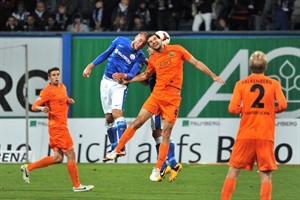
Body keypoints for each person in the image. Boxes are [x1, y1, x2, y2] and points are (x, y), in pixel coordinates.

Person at [105, 32, 225, 182]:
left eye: (155, 39)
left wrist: (213, 76)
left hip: (173, 99)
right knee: (138, 122)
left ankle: (159, 168)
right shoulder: (153, 59)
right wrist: (127, 79)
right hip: (156, 96)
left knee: (164, 134)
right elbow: (145, 77)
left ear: (160, 39)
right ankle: (116, 150)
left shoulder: (178, 50)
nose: (153, 42)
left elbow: (196, 63)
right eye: (150, 42)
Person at [220, 51, 287, 200]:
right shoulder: (274, 84)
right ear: (266, 67)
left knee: (233, 171)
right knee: (265, 174)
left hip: (246, 134)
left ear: (250, 66)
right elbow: (283, 105)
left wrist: (247, 109)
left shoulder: (241, 84)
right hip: (265, 135)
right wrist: (270, 110)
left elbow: (232, 108)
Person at [21, 67, 94, 192]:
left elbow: (62, 99)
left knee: (58, 158)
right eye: (53, 75)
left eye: (58, 74)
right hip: (57, 128)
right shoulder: (46, 91)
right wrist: (42, 108)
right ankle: (77, 186)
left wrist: (68, 100)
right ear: (49, 78)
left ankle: (28, 168)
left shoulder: (62, 87)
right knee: (71, 154)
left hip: (60, 126)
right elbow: (34, 106)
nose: (56, 77)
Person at [82, 32, 148, 162]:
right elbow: (106, 53)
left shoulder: (140, 57)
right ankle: (114, 147)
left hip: (120, 85)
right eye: (140, 40)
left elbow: (133, 73)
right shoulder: (120, 40)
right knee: (108, 118)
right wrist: (90, 66)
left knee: (117, 113)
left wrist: (123, 75)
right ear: (136, 36)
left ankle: (121, 147)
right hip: (106, 81)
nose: (140, 44)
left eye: (143, 44)